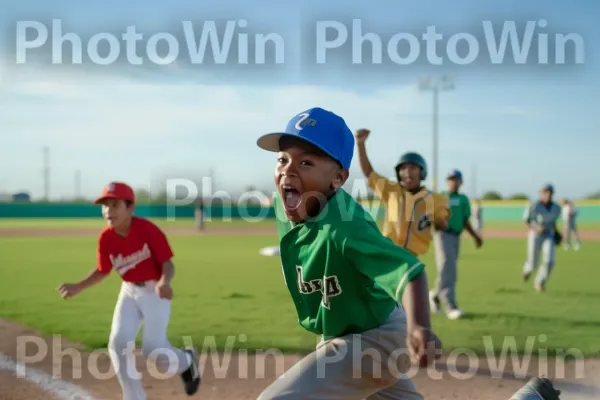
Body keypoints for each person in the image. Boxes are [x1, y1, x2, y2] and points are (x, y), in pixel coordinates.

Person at [255, 107, 441, 399]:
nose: (288, 170)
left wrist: (420, 327)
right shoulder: (287, 205)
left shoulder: (346, 228)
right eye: (282, 159)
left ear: (338, 178)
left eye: (305, 162)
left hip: (378, 338)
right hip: (343, 335)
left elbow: (410, 270)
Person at [57, 182, 201, 400]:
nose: (108, 211)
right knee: (118, 344)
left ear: (130, 208)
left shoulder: (147, 229)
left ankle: (187, 361)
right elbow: (102, 270)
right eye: (105, 206)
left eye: (115, 205)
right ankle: (134, 397)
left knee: (153, 350)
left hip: (154, 290)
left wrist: (165, 282)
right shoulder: (106, 237)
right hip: (129, 291)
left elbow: (167, 263)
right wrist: (78, 286)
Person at [355, 128, 450, 257]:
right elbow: (369, 172)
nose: (407, 172)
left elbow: (442, 226)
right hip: (388, 252)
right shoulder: (392, 190)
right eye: (403, 168)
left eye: (412, 168)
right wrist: (360, 144)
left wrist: (436, 220)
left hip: (412, 257)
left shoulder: (434, 199)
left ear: (422, 172)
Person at [429, 170, 483, 320]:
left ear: (461, 181)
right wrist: (438, 222)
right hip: (442, 235)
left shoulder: (463, 199)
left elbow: (465, 220)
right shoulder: (441, 196)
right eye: (450, 179)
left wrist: (475, 237)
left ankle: (434, 295)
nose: (453, 182)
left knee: (448, 269)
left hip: (456, 237)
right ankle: (450, 306)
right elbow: (432, 216)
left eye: (455, 179)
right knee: (447, 266)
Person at [522, 184, 562, 292]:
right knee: (533, 263)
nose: (547, 195)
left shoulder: (556, 208)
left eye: (549, 192)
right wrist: (536, 229)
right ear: (541, 194)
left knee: (550, 261)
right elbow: (527, 220)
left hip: (548, 235)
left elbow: (552, 222)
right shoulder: (534, 205)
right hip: (535, 235)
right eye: (544, 192)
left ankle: (539, 281)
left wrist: (557, 233)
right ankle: (527, 270)